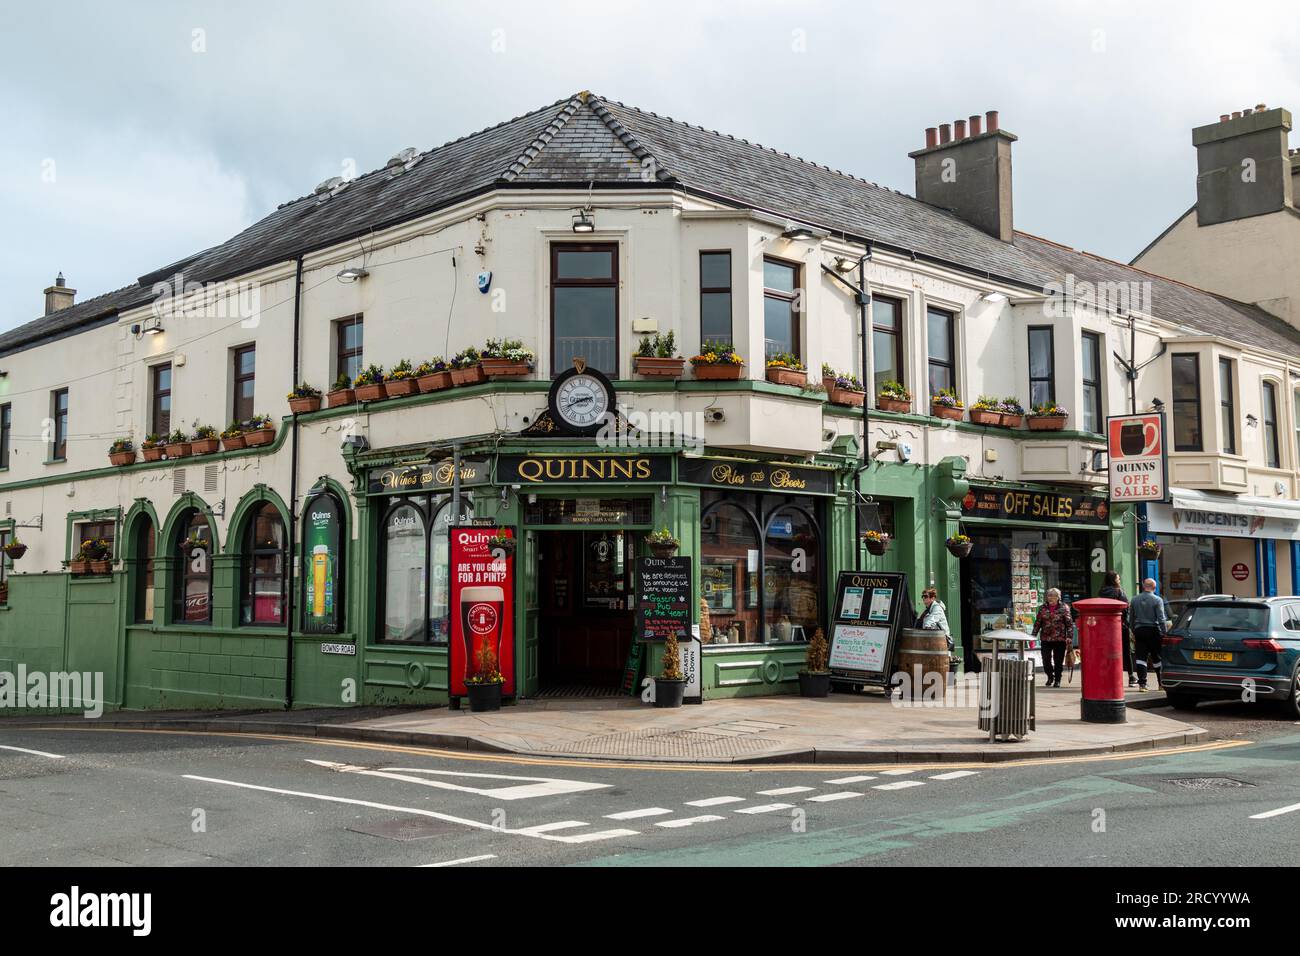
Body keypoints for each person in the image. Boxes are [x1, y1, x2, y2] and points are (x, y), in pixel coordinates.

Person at [1098, 570, 1136, 687]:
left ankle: (1106, 675)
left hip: (1105, 626)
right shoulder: (1119, 591)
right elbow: (1125, 607)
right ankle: (1131, 677)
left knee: (1107, 650)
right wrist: (1128, 623)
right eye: (1118, 579)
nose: (1119, 581)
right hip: (1120, 625)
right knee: (1126, 651)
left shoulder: (1101, 592)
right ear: (1114, 580)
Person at [1130, 578, 1168, 690]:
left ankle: (1142, 684)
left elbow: (1131, 618)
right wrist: (1164, 633)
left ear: (1143, 586)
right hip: (1153, 631)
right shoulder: (1157, 600)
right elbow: (1161, 619)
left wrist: (1133, 631)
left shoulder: (1134, 599)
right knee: (1156, 658)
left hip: (1139, 631)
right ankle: (1161, 684)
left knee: (1141, 658)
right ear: (1154, 588)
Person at [1032, 587, 1074, 687]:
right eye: (1049, 596)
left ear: (1058, 597)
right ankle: (1050, 676)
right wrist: (1033, 636)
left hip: (1060, 639)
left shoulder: (1064, 607)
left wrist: (1069, 636)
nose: (1050, 598)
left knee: (1058, 661)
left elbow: (1069, 624)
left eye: (1053, 596)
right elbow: (1038, 623)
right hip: (1046, 638)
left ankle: (1057, 680)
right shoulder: (1042, 608)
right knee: (1045, 659)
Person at [915, 587, 953, 653]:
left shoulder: (937, 608)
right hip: (934, 641)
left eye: (926, 596)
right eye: (922, 596)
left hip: (940, 642)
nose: (923, 598)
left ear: (933, 598)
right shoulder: (929, 609)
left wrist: (926, 627)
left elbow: (931, 620)